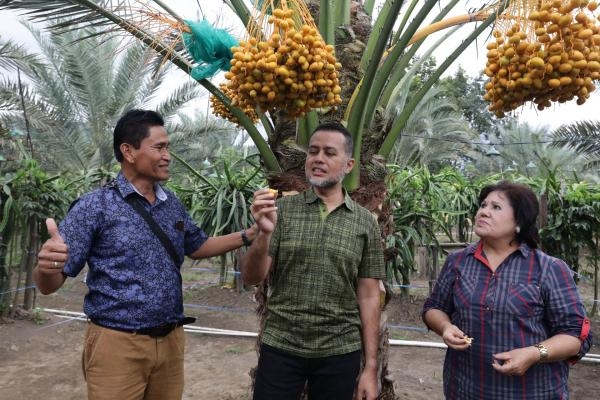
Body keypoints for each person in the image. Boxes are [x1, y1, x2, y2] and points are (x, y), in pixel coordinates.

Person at [34, 109, 256, 400]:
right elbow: (48, 286)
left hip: (171, 342)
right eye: (159, 147)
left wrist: (249, 235)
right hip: (117, 343)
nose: (167, 156)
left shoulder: (171, 203)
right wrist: (48, 266)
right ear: (128, 151)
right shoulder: (95, 206)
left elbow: (197, 245)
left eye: (168, 147)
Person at [240, 121, 386, 400]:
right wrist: (263, 235)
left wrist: (370, 367)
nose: (318, 159)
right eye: (313, 151)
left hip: (339, 350)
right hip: (281, 345)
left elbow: (369, 296)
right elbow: (251, 277)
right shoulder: (280, 210)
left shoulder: (365, 222)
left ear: (348, 165)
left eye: (329, 153)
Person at [423, 180, 593, 399]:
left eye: (496, 207)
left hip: (532, 392)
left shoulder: (548, 269)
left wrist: (534, 353)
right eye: (483, 205)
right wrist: (445, 327)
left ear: (519, 222)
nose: (483, 212)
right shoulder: (458, 262)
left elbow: (576, 335)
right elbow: (434, 307)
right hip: (465, 388)